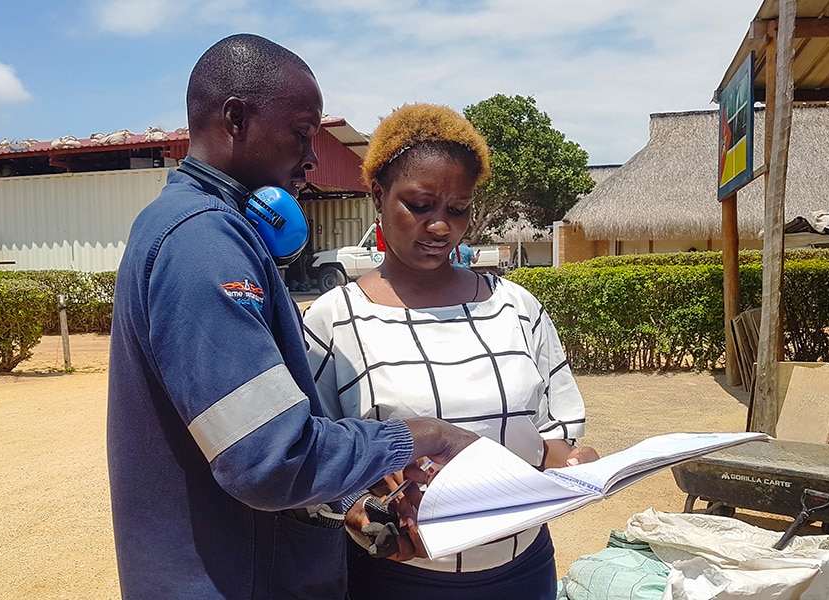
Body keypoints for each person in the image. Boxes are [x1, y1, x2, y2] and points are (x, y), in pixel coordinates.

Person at [106, 35, 477, 600]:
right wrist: (421, 436)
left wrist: (347, 503)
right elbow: (269, 458)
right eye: (302, 133)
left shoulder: (203, 229)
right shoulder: (204, 243)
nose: (311, 155)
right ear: (236, 119)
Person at [303, 103, 598, 600]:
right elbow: (311, 453)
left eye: (457, 209)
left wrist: (579, 462)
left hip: (522, 569)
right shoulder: (335, 319)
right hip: (397, 577)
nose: (440, 227)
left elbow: (559, 433)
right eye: (419, 205)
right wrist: (359, 503)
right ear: (377, 196)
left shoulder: (516, 307)